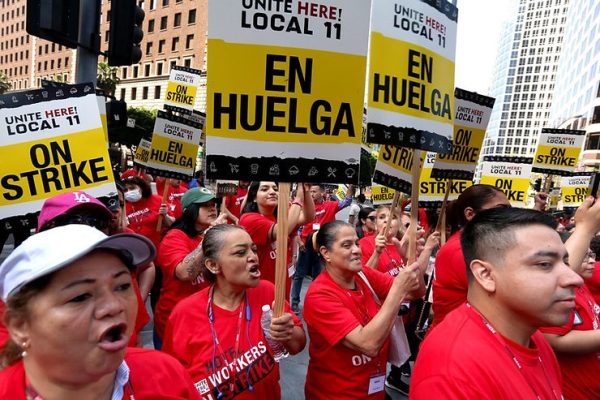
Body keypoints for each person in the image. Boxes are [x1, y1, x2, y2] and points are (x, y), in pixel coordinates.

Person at [0, 224, 201, 399]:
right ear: (19, 326)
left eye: (122, 286)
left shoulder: (165, 373)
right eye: (80, 296)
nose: (114, 306)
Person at [411, 207, 584, 399]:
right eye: (544, 264)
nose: (574, 279)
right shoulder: (452, 373)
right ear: (485, 275)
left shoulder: (531, 336)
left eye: (565, 263)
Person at [163, 224, 306, 399]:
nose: (253, 257)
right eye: (240, 253)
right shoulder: (184, 314)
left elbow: (297, 346)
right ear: (213, 265)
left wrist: (288, 333)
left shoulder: (267, 292)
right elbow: (173, 382)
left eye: (253, 249)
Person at [303, 221, 423, 399]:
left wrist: (410, 261)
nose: (357, 250)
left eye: (357, 243)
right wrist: (398, 290)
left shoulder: (363, 274)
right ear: (325, 253)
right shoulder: (319, 295)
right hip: (338, 394)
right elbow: (368, 344)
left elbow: (416, 292)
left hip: (374, 390)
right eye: (346, 245)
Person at [37, 190, 153, 348]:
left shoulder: (117, 273)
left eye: (98, 221)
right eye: (74, 221)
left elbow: (134, 340)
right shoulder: (16, 295)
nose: (89, 227)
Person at [154, 187, 227, 348]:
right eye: (205, 205)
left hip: (207, 323)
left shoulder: (217, 236)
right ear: (189, 211)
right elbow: (185, 273)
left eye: (213, 204)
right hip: (176, 326)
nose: (212, 208)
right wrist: (209, 236)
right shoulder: (174, 237)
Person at [430, 184, 511, 331]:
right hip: (455, 338)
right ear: (470, 214)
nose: (508, 216)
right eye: (501, 209)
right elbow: (505, 295)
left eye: (510, 210)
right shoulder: (458, 250)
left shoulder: (479, 244)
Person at [540, 248, 600, 399]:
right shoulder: (558, 295)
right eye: (585, 256)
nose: (592, 261)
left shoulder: (582, 284)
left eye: (591, 255)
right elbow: (555, 340)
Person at [239, 182, 315, 297]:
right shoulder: (249, 219)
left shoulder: (282, 217)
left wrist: (306, 190)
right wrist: (298, 198)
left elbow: (308, 216)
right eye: (265, 189)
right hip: (261, 288)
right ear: (254, 197)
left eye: (275, 189)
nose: (272, 192)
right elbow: (282, 231)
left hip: (283, 285)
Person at [291, 184, 354, 312]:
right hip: (306, 244)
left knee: (319, 275)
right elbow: (297, 227)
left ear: (322, 193)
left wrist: (351, 185)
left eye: (315, 191)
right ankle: (295, 302)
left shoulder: (330, 205)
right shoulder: (305, 207)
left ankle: (316, 301)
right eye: (311, 191)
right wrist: (300, 242)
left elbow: (347, 201)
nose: (312, 194)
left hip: (323, 244)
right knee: (299, 274)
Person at [122, 175, 171, 249]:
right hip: (134, 249)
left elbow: (172, 224)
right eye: (125, 190)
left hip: (158, 247)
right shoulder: (122, 207)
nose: (129, 192)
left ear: (142, 188)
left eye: (132, 188)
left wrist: (165, 216)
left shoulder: (158, 200)